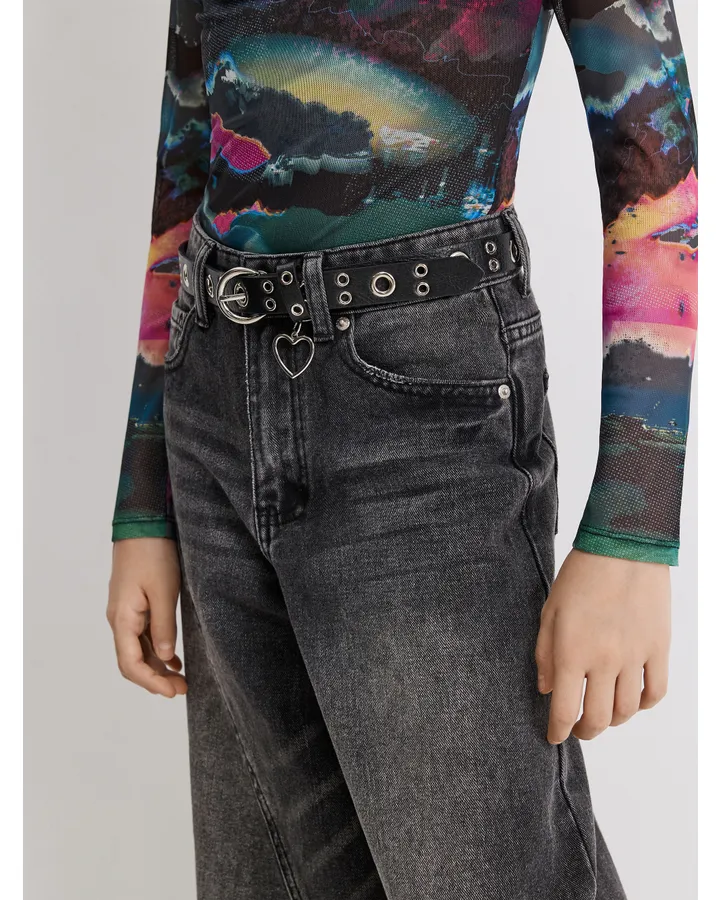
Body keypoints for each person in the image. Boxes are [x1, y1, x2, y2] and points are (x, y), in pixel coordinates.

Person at [106, 1, 697, 897]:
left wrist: (634, 528)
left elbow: (653, 164)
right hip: (212, 395)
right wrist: (143, 496)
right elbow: (188, 140)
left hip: (422, 412)